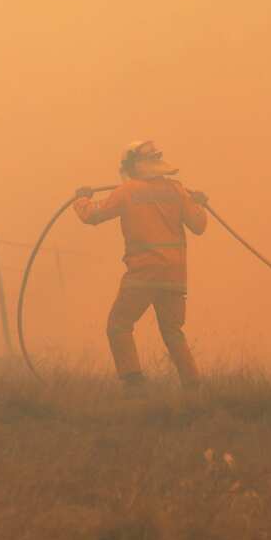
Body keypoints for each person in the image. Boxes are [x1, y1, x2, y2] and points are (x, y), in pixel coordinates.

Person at [73, 141, 208, 391]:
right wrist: (197, 202)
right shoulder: (177, 191)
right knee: (172, 331)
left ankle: (134, 383)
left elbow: (92, 215)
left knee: (119, 325)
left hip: (143, 273)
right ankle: (192, 386)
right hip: (175, 275)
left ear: (131, 166)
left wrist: (81, 198)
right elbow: (199, 225)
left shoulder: (127, 191)